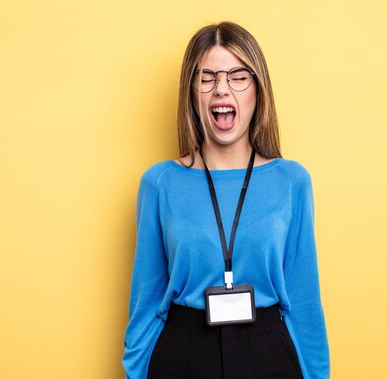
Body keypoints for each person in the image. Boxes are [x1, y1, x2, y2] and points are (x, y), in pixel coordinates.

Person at [123, 21, 329, 379]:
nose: (222, 90)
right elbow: (145, 308)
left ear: (258, 89)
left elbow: (305, 306)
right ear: (192, 92)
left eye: (237, 76)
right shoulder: (160, 183)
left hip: (268, 352)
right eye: (208, 78)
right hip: (182, 353)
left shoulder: (292, 181)